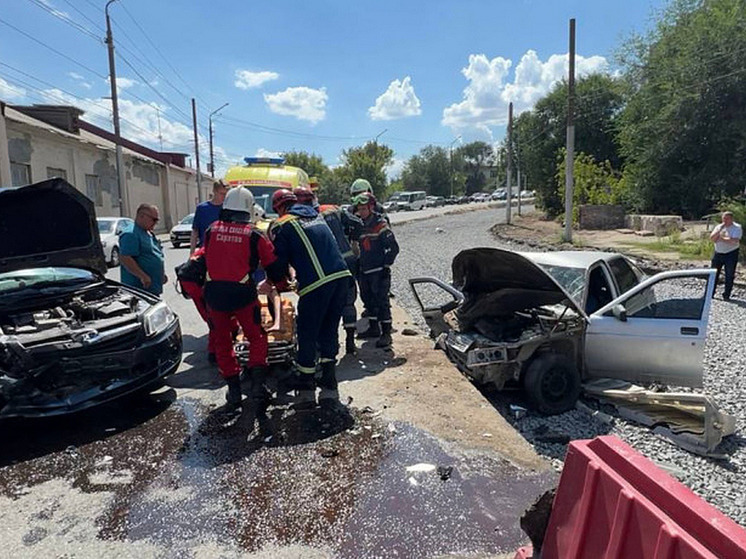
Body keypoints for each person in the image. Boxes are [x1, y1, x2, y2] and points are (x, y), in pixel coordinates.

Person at [203, 187, 288, 408]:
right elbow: (273, 265)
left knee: (222, 340)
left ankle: (233, 390)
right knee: (257, 337)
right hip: (242, 294)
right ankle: (258, 387)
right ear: (249, 209)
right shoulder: (254, 234)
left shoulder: (211, 230)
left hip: (214, 294)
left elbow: (207, 257)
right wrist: (277, 283)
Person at [267, 189, 351, 409]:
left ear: (278, 208)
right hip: (341, 278)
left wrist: (276, 280)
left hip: (317, 284)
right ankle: (329, 379)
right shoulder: (315, 215)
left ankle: (306, 385)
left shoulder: (282, 224)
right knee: (328, 330)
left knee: (307, 332)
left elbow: (278, 261)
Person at [294, 186, 363, 355]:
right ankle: (350, 341)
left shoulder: (304, 219)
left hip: (327, 268)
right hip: (347, 261)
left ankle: (327, 345)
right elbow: (357, 223)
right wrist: (353, 241)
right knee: (348, 301)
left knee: (328, 305)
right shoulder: (332, 210)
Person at [353, 192, 399, 348]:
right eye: (359, 209)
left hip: (379, 271)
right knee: (368, 300)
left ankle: (386, 333)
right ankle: (373, 328)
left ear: (371, 207)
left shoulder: (380, 224)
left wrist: (386, 266)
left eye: (364, 208)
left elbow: (393, 248)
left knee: (382, 302)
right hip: (365, 270)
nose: (361, 212)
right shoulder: (359, 224)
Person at [119, 204, 167, 297]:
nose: (155, 223)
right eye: (154, 219)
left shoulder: (148, 233)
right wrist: (142, 276)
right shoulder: (131, 233)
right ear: (141, 216)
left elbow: (155, 254)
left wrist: (161, 274)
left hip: (151, 289)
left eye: (157, 220)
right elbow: (125, 258)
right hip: (138, 290)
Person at [710, 211, 742, 301]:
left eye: (727, 218)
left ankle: (726, 295)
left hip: (730, 253)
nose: (725, 220)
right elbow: (712, 238)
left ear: (731, 219)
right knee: (713, 274)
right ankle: (711, 293)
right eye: (723, 218)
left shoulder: (737, 228)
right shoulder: (719, 227)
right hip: (718, 252)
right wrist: (719, 232)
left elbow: (734, 241)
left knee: (729, 274)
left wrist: (721, 239)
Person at [190, 179, 229, 254]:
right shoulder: (202, 208)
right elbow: (195, 231)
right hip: (205, 251)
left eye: (226, 194)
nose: (224, 197)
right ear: (214, 191)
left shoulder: (228, 209)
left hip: (224, 252)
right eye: (221, 193)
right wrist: (192, 253)